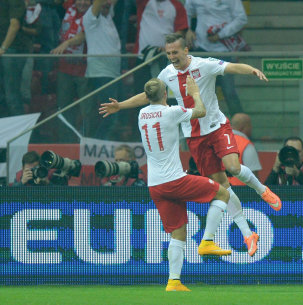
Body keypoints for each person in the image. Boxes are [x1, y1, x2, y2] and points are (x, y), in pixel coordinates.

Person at [99, 33, 281, 258]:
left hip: (216, 125)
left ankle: (262, 190)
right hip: (194, 135)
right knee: (222, 186)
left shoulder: (204, 65)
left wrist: (251, 69)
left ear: (186, 50)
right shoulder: (167, 73)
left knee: (233, 167)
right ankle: (247, 234)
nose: (172, 57)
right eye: (168, 53)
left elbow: (232, 67)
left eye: (175, 52)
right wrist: (121, 106)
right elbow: (148, 95)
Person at [139, 77, 231, 292]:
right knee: (223, 193)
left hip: (155, 185)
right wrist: (195, 93)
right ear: (164, 94)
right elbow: (200, 112)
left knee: (178, 232)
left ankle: (173, 282)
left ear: (147, 96)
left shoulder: (141, 114)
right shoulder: (171, 112)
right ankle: (207, 241)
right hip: (174, 180)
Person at [184, 0, 249, 117]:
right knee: (200, 93)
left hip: (224, 50)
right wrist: (189, 29)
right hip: (201, 49)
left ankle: (242, 127)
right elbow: (188, 12)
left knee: (229, 92)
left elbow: (241, 18)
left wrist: (221, 34)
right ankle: (202, 128)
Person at [51, 0, 91, 139]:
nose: (83, 3)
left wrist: (67, 43)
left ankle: (87, 140)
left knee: (87, 109)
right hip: (64, 68)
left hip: (84, 69)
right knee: (64, 108)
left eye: (87, 1)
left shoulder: (93, 14)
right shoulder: (69, 7)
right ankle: (65, 141)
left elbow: (84, 36)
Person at [83, 0, 121, 140]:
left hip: (112, 74)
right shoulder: (90, 19)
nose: (107, 3)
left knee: (112, 115)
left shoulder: (108, 17)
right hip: (101, 73)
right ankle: (99, 143)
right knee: (111, 116)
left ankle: (100, 142)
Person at [132, 0, 188, 94]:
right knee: (141, 95)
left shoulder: (176, 5)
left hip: (166, 60)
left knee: (163, 96)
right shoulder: (144, 2)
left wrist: (169, 47)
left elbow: (181, 31)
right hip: (143, 58)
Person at [1, 0, 32, 117]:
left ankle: (19, 132)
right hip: (5, 50)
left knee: (11, 94)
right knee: (5, 95)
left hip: (12, 50)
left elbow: (15, 25)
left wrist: (3, 47)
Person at [227, 113, 262, 186]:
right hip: (241, 192)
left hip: (218, 191)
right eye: (250, 125)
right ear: (244, 127)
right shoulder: (246, 145)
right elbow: (253, 176)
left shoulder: (218, 141)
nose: (251, 128)